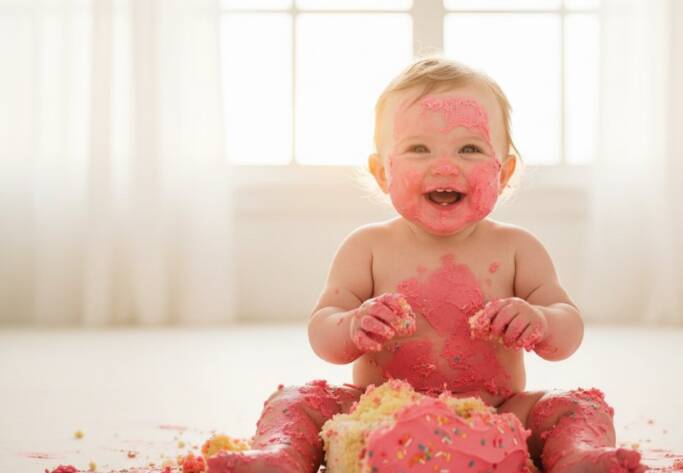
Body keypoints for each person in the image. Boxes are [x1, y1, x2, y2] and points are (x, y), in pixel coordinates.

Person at [207, 57, 645, 473]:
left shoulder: (518, 248)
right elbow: (324, 332)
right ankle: (279, 456)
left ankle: (582, 458)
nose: (444, 165)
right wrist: (353, 325)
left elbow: (567, 328)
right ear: (383, 172)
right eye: (418, 148)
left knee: (578, 404)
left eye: (470, 147)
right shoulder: (368, 247)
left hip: (497, 416)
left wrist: (540, 321)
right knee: (298, 399)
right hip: (375, 416)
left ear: (504, 171)